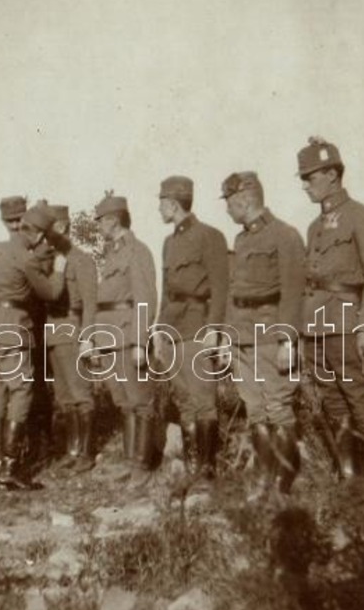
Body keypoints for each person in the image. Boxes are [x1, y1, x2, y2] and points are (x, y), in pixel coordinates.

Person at [298, 137, 364, 478]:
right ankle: (349, 479)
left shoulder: (362, 217)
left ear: (333, 175)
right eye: (303, 178)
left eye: (311, 177)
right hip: (317, 328)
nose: (305, 185)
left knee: (361, 402)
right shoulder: (314, 227)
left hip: (348, 325)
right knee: (332, 403)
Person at [221, 171, 305, 494]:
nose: (227, 210)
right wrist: (229, 337)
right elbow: (234, 292)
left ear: (243, 200)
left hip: (271, 335)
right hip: (243, 335)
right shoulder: (241, 240)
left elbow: (294, 291)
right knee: (254, 408)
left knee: (278, 406)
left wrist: (288, 341)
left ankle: (284, 482)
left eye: (229, 203)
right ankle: (263, 478)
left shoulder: (284, 235)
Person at [0, 204, 67, 489]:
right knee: (22, 390)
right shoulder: (26, 259)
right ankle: (10, 467)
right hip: (10, 328)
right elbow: (50, 292)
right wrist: (59, 269)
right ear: (39, 234)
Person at [157, 175, 229, 486]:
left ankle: (207, 468)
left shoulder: (209, 236)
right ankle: (190, 464)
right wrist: (159, 331)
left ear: (173, 204)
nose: (158, 209)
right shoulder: (169, 242)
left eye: (161, 202)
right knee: (184, 399)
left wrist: (213, 330)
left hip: (196, 325)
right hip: (172, 328)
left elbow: (220, 287)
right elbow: (165, 291)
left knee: (203, 399)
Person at [93, 194, 157, 484]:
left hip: (128, 335)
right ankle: (130, 461)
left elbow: (145, 298)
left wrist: (141, 342)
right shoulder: (112, 253)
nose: (98, 228)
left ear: (114, 220)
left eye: (101, 222)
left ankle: (142, 466)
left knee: (139, 399)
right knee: (122, 401)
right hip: (109, 336)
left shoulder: (137, 251)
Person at [43, 204, 98, 473]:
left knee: (80, 393)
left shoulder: (81, 260)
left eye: (48, 228)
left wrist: (87, 337)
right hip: (52, 331)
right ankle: (72, 449)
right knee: (64, 396)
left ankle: (86, 452)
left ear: (62, 227)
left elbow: (90, 303)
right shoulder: (50, 260)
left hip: (73, 327)